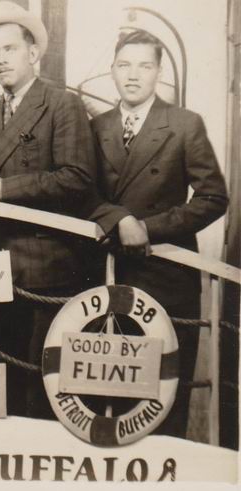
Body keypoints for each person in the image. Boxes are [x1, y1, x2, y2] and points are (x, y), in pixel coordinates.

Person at [89, 30, 229, 437]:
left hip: (166, 276)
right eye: (124, 65)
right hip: (105, 273)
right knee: (104, 391)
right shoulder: (94, 126)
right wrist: (119, 219)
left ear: (159, 72)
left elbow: (212, 197)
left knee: (163, 398)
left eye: (144, 66)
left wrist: (149, 228)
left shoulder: (185, 125)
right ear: (112, 70)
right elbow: (80, 192)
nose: (133, 75)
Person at [0, 1, 96, 417]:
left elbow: (77, 179)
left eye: (9, 49)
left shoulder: (62, 105)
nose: (1, 60)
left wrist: (7, 188)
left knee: (44, 393)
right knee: (1, 386)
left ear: (33, 53)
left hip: (50, 268)